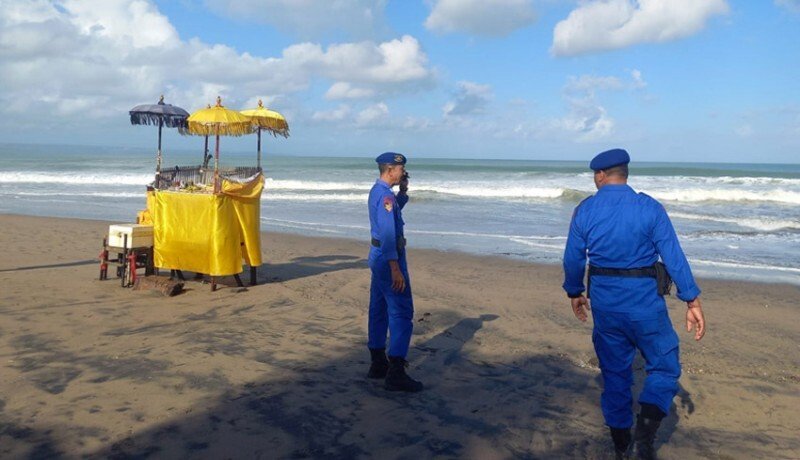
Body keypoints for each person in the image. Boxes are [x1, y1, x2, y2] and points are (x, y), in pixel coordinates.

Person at [562, 148, 706, 459]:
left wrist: (574, 291)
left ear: (600, 175)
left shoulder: (585, 209)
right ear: (625, 173)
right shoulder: (649, 208)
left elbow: (573, 257)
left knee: (614, 374)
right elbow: (674, 256)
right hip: (645, 306)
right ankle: (646, 430)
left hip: (605, 305)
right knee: (665, 366)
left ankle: (620, 443)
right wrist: (691, 299)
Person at [366, 152, 423, 392]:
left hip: (377, 255)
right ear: (391, 170)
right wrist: (395, 267)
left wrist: (403, 194)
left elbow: (390, 215)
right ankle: (396, 371)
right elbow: (389, 233)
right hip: (389, 257)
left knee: (378, 309)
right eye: (400, 170)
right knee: (401, 312)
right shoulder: (385, 196)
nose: (403, 173)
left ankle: (378, 363)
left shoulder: (378, 192)